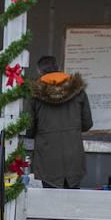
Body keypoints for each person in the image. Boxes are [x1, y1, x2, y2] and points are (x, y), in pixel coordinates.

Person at [26, 55, 92, 188]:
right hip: (73, 156)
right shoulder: (78, 92)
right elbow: (87, 123)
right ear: (59, 68)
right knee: (72, 202)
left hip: (47, 158)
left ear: (41, 72)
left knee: (50, 202)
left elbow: (29, 128)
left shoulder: (35, 95)